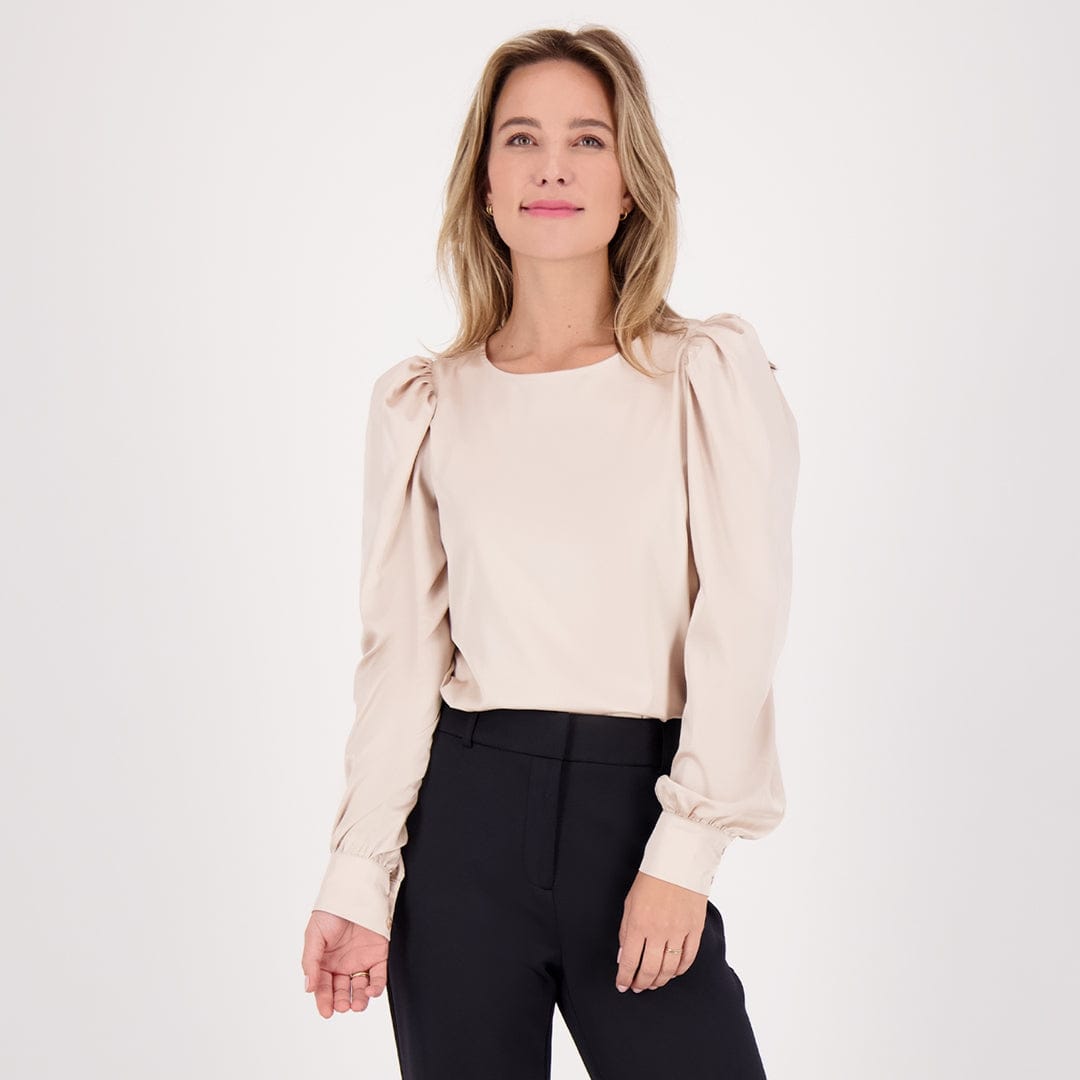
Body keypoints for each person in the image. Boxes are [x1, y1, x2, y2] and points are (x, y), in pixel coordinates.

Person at [300, 23, 800, 1080]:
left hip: (638, 819)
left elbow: (742, 616)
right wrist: (357, 878)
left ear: (631, 183)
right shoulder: (428, 404)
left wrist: (685, 854)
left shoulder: (700, 377)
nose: (553, 167)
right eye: (521, 139)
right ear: (484, 185)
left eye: (588, 139)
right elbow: (401, 660)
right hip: (463, 832)